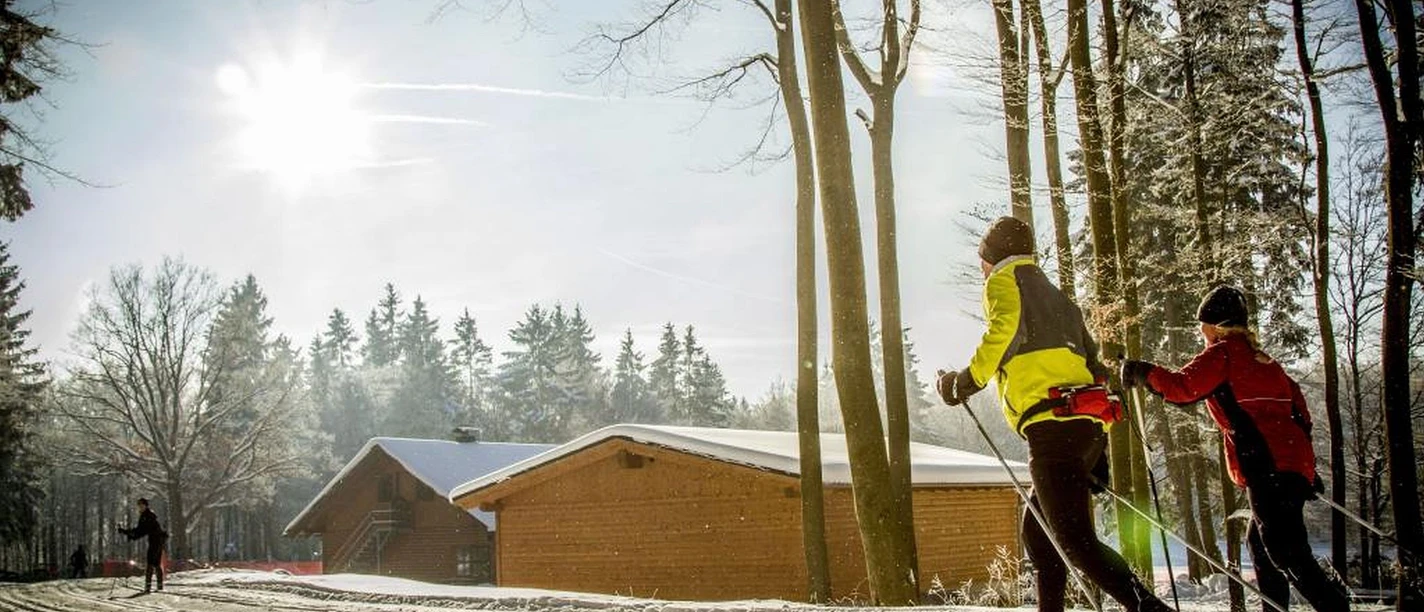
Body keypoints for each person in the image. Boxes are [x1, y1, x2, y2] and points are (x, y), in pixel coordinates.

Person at [937, 216, 1170, 612]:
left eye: (983, 258)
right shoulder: (1058, 297)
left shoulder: (1003, 281)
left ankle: (1151, 610)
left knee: (1077, 544)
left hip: (1052, 426)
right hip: (1084, 426)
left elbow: (1003, 332)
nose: (981, 268)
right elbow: (1093, 365)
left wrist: (964, 382)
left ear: (994, 256)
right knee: (1040, 535)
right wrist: (1099, 453)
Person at [1121, 286, 1349, 612]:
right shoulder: (1267, 362)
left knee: (1285, 551)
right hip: (1290, 462)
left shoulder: (1223, 354)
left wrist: (1143, 372)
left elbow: (1184, 388)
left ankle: (1336, 606)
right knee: (1261, 546)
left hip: (1265, 463)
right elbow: (1300, 413)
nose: (1200, 332)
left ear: (1215, 326)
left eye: (1202, 325)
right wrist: (1304, 469)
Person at [120, 497, 168, 593]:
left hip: (156, 540)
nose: (140, 508)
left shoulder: (147, 516)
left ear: (145, 506)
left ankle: (148, 586)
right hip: (158, 540)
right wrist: (128, 533)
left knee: (151, 562)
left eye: (141, 506)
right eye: (139, 506)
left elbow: (141, 531)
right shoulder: (147, 515)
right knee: (156, 563)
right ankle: (159, 586)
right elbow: (140, 530)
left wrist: (128, 533)